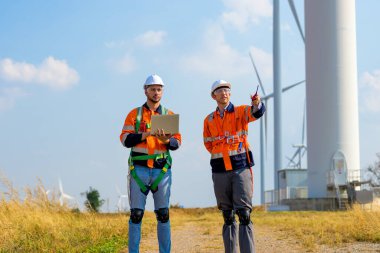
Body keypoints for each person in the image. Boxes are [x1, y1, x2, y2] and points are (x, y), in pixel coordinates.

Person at [120, 74, 181, 253]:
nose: (156, 92)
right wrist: (144, 135)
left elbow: (177, 143)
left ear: (162, 91)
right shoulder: (134, 114)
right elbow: (124, 139)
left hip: (161, 171)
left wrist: (166, 140)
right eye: (152, 89)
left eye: (159, 89)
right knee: (136, 215)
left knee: (163, 215)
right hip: (139, 170)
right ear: (145, 90)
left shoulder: (168, 115)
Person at [203, 80, 265, 253]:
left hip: (240, 168)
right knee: (228, 216)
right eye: (220, 90)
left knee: (244, 215)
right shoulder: (208, 120)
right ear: (213, 95)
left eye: (227, 90)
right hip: (220, 171)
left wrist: (256, 103)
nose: (224, 93)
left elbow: (256, 112)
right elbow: (208, 144)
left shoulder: (241, 111)